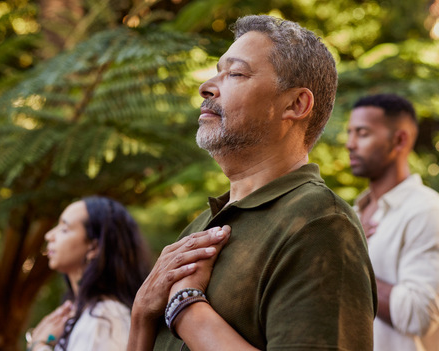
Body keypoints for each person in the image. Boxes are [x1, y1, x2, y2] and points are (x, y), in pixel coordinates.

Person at [128, 14, 377, 351]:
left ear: (295, 104)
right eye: (217, 71)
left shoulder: (320, 222)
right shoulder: (197, 231)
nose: (207, 86)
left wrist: (186, 309)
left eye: (235, 73)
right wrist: (142, 313)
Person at [345, 93, 439, 351]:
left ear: (400, 140)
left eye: (362, 133)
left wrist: (347, 265)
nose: (350, 144)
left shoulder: (426, 213)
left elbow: (420, 315)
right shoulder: (351, 216)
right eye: (349, 133)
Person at [26, 196, 151, 351]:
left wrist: (39, 346)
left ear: (94, 247)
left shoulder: (107, 318)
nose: (49, 235)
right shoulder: (80, 313)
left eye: (64, 229)